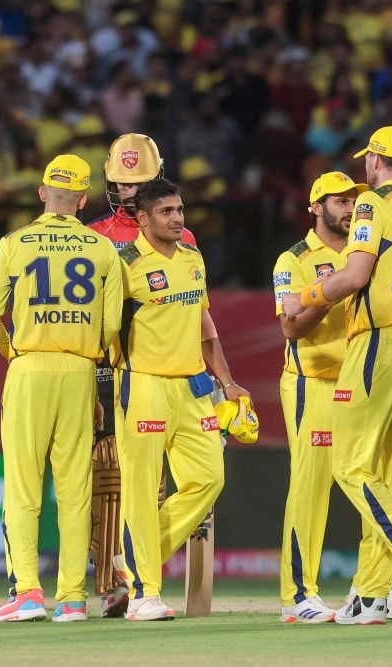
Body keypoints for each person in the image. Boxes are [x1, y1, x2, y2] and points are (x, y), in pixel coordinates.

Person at [281, 126, 392, 626]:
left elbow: (356, 276)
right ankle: (372, 594)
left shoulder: (372, 204)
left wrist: (308, 296)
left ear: (376, 162)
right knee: (384, 469)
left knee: (349, 466)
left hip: (379, 338)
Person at [0, 155, 123, 622]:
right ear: (84, 200)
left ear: (43, 193)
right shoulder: (103, 251)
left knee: (22, 487)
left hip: (29, 369)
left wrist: (16, 353)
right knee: (76, 489)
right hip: (81, 371)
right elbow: (114, 324)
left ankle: (27, 593)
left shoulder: (14, 243)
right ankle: (74, 599)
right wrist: (86, 355)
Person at [275, 171, 392, 624]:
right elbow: (290, 327)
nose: (350, 208)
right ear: (315, 207)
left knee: (370, 482)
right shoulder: (292, 260)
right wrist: (335, 291)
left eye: (354, 200)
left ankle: (372, 589)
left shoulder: (364, 252)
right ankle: (298, 596)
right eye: (338, 201)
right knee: (311, 487)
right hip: (313, 381)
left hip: (362, 381)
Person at [111, 178, 249, 621]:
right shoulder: (124, 264)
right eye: (166, 211)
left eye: (180, 210)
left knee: (210, 480)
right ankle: (144, 592)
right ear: (143, 217)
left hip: (193, 388)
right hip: (143, 384)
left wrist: (226, 381)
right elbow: (104, 331)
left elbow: (204, 324)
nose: (177, 218)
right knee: (140, 491)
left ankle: (133, 560)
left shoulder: (193, 258)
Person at [85, 133, 198, 618]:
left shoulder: (182, 237)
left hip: (166, 374)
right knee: (104, 479)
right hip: (104, 370)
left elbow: (194, 311)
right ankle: (92, 580)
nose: (129, 193)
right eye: (121, 184)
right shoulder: (93, 236)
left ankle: (125, 576)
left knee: (148, 484)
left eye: (139, 184)